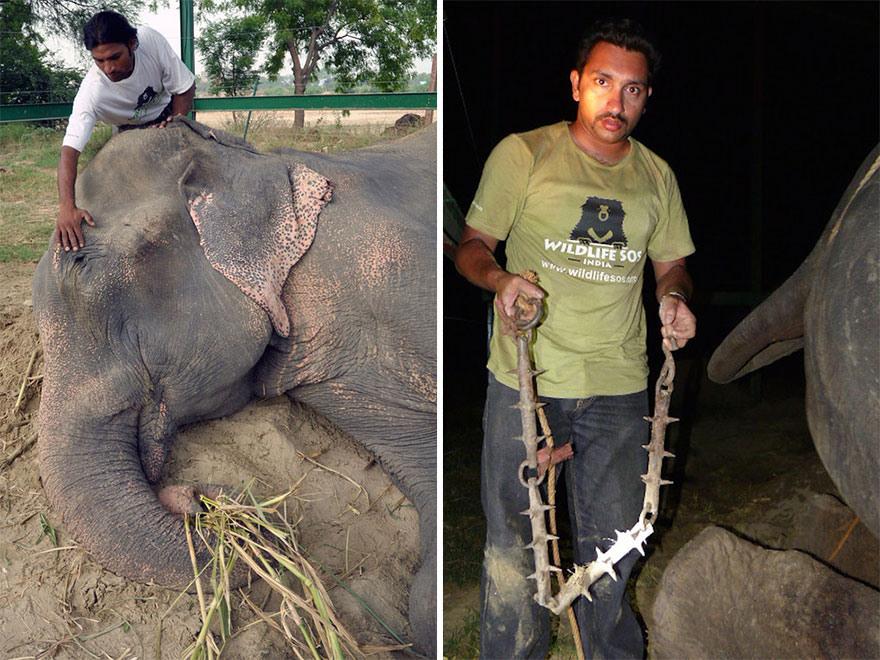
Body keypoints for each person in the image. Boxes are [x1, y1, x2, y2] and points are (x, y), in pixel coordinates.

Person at [454, 17, 696, 660]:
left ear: (648, 97)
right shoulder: (524, 154)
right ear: (576, 85)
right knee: (513, 546)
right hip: (527, 383)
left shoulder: (657, 177)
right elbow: (472, 248)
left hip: (620, 387)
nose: (616, 102)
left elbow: (672, 263)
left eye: (633, 89)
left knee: (617, 543)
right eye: (602, 82)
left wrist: (674, 297)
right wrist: (501, 280)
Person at [56, 10, 196, 252]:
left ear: (132, 44)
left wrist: (176, 124)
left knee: (188, 188)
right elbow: (69, 151)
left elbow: (184, 87)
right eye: (99, 61)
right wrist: (67, 207)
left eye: (114, 57)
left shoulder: (150, 41)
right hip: (126, 134)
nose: (108, 68)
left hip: (168, 118)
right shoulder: (92, 92)